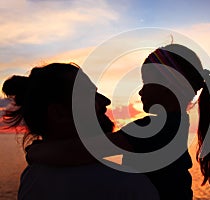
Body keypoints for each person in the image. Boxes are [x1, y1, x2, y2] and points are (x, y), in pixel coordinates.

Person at [25, 44, 210, 199]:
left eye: (146, 83)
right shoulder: (174, 126)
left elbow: (88, 150)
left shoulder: (154, 128)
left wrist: (38, 152)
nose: (140, 90)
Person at [2, 63, 159, 200]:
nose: (106, 101)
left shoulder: (31, 179)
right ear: (59, 113)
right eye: (90, 94)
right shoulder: (127, 184)